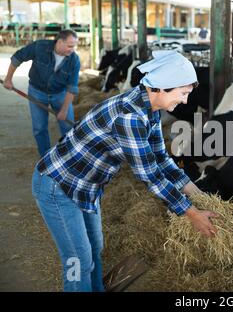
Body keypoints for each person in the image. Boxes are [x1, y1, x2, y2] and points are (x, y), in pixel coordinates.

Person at [31, 50, 218, 292]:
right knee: (78, 258)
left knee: (94, 250)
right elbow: (149, 175)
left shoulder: (149, 110)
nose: (184, 101)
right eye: (183, 94)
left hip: (87, 188)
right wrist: (192, 214)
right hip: (58, 185)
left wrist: (197, 194)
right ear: (161, 88)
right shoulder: (130, 116)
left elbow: (161, 158)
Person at [3, 29, 80, 157]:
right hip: (37, 92)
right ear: (60, 42)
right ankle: (46, 158)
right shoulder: (40, 47)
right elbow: (18, 57)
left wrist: (64, 110)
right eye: (70, 46)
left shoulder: (74, 60)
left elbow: (72, 88)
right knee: (39, 128)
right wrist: (8, 79)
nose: (72, 49)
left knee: (68, 127)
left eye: (74, 46)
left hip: (59, 94)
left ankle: (70, 157)